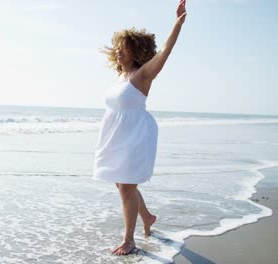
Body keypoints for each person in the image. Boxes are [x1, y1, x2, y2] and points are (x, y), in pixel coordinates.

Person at [92, 0, 187, 256]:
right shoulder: (119, 78)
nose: (119, 51)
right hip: (115, 134)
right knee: (122, 183)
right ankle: (147, 217)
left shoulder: (143, 74)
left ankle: (129, 240)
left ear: (136, 51)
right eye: (118, 48)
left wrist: (176, 25)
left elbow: (165, 51)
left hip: (135, 134)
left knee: (127, 185)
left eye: (124, 48)